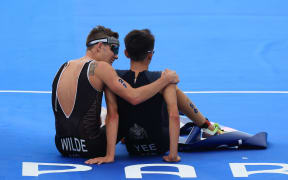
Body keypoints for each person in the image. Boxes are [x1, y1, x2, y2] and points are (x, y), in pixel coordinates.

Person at [85, 29, 222, 164]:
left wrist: (110, 155)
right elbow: (173, 116)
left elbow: (112, 116)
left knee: (123, 106)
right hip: (160, 145)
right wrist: (173, 155)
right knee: (171, 90)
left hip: (132, 146)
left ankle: (204, 123)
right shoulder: (161, 77)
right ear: (150, 55)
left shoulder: (115, 76)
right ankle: (206, 125)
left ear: (126, 54)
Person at [52, 26, 179, 159]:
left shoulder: (64, 66)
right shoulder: (101, 67)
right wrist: (165, 80)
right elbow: (134, 97)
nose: (116, 56)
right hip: (92, 147)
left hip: (62, 145)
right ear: (100, 46)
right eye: (114, 49)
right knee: (124, 110)